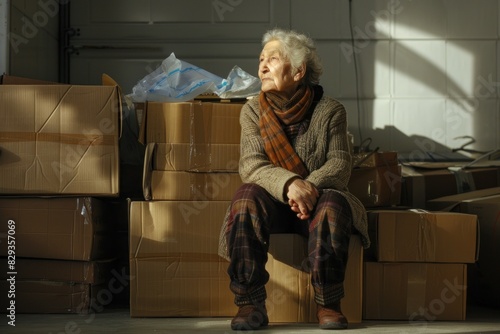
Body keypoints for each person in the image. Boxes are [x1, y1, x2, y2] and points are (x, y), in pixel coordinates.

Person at [218, 28, 370, 331]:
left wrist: (307, 189)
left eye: (272, 60)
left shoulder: (330, 111)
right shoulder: (251, 111)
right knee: (246, 194)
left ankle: (328, 303)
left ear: (299, 70)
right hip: (271, 206)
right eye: (261, 59)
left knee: (333, 203)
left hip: (315, 204)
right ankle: (250, 303)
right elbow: (251, 164)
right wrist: (289, 185)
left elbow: (339, 164)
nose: (262, 66)